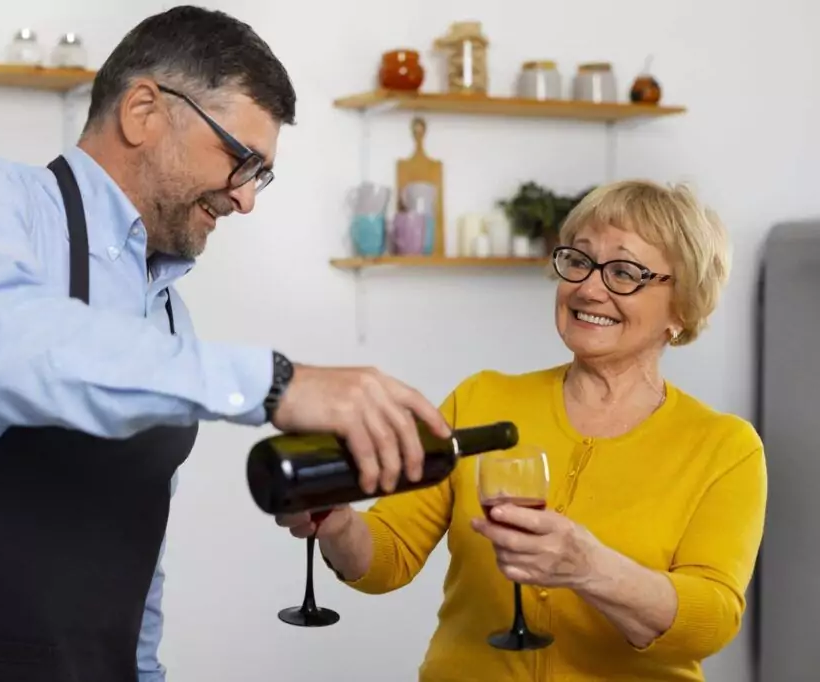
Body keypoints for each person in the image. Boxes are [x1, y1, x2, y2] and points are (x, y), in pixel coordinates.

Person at [0, 6, 451, 682]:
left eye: (262, 175)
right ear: (143, 110)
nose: (248, 200)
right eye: (241, 159)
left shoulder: (170, 320)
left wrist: (143, 672)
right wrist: (279, 382)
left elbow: (136, 546)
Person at [278, 180, 767, 681]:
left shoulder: (724, 447)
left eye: (623, 271)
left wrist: (590, 568)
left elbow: (708, 623)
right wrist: (339, 525)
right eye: (579, 260)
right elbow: (389, 556)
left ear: (682, 309)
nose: (589, 287)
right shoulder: (482, 400)